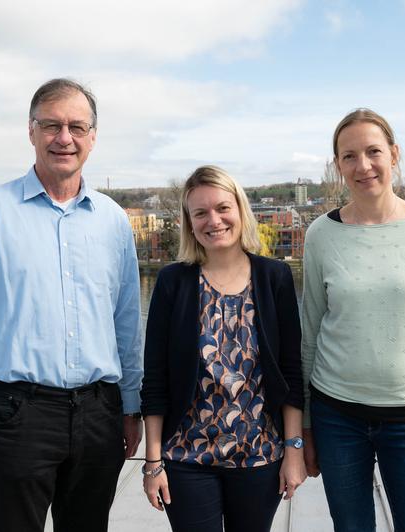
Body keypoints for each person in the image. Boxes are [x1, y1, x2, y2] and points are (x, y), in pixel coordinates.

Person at [0, 78, 143, 532]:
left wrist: (130, 407)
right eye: (51, 125)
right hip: (19, 416)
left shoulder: (113, 220)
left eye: (76, 127)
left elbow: (126, 325)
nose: (64, 138)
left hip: (100, 415)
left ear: (92, 137)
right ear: (31, 131)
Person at [301, 108, 405, 531]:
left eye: (373, 151)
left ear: (394, 154)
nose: (363, 166)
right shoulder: (321, 235)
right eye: (349, 156)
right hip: (336, 416)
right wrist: (304, 425)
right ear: (338, 166)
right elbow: (309, 334)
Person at [140, 165, 306, 532]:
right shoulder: (173, 282)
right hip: (186, 457)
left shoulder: (273, 277)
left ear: (240, 210)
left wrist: (293, 448)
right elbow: (155, 381)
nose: (213, 220)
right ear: (190, 222)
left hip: (260, 456)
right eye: (200, 213)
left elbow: (291, 372)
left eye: (222, 208)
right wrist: (153, 463)